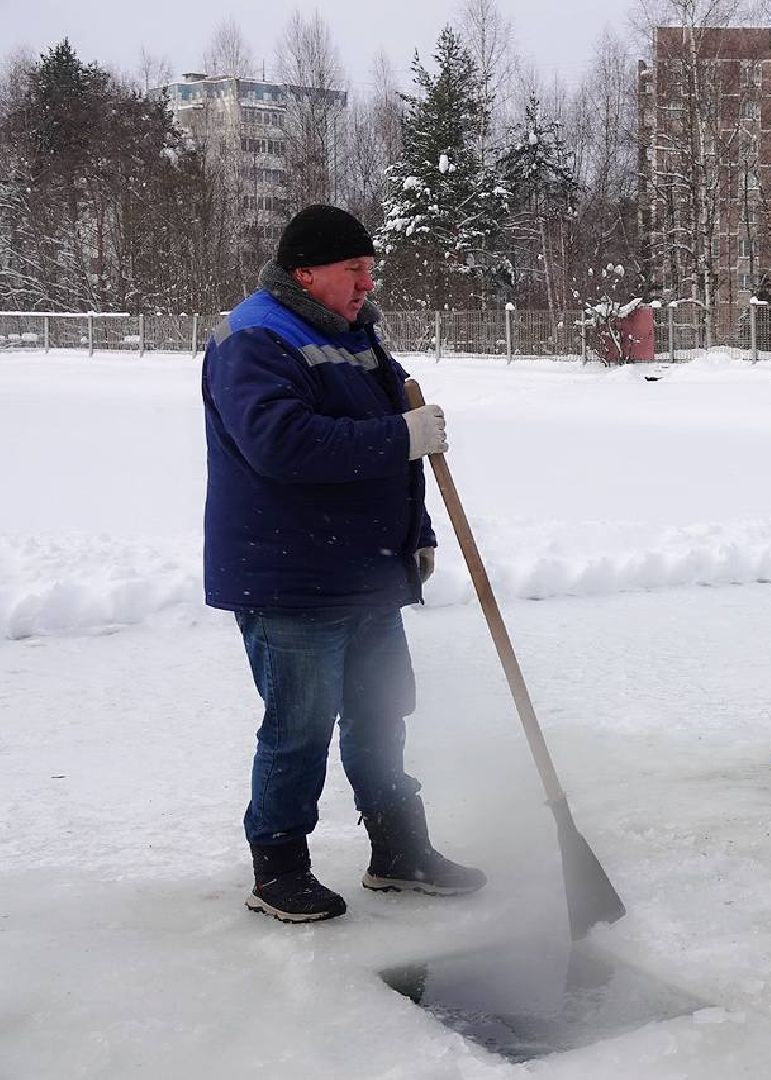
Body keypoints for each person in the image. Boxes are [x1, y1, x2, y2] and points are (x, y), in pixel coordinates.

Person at [203, 204, 486, 922]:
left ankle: (398, 850)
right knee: (298, 729)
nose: (366, 282)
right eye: (352, 270)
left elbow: (395, 455)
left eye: (369, 269)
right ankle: (278, 871)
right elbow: (282, 444)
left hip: (364, 572)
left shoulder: (357, 336)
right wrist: (400, 436)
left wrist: (414, 531)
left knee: (380, 714)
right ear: (304, 272)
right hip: (290, 575)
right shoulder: (255, 338)